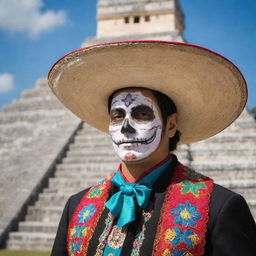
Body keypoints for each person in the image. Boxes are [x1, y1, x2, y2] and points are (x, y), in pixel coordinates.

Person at [48, 41, 256, 256]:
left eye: (142, 114)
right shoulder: (77, 206)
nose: (126, 128)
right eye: (117, 116)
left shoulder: (219, 208)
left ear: (171, 125)